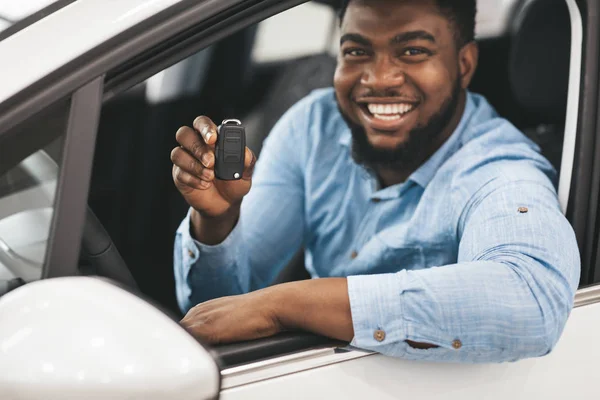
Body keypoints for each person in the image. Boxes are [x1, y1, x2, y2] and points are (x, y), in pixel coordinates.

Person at [170, 0, 580, 362]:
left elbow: (529, 301)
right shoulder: (313, 126)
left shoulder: (499, 167)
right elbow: (216, 316)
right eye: (357, 51)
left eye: (413, 51)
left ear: (464, 64)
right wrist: (217, 221)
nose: (379, 78)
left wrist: (280, 305)